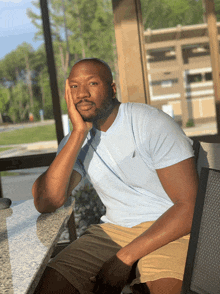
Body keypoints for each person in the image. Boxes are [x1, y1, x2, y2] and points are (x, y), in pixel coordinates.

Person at [32, 58, 199, 294]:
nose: (82, 94)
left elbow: (189, 207)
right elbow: (46, 201)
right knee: (48, 286)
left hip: (170, 228)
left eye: (92, 83)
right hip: (114, 230)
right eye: (74, 87)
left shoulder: (149, 123)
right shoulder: (76, 140)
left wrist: (125, 257)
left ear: (112, 88)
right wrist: (79, 133)